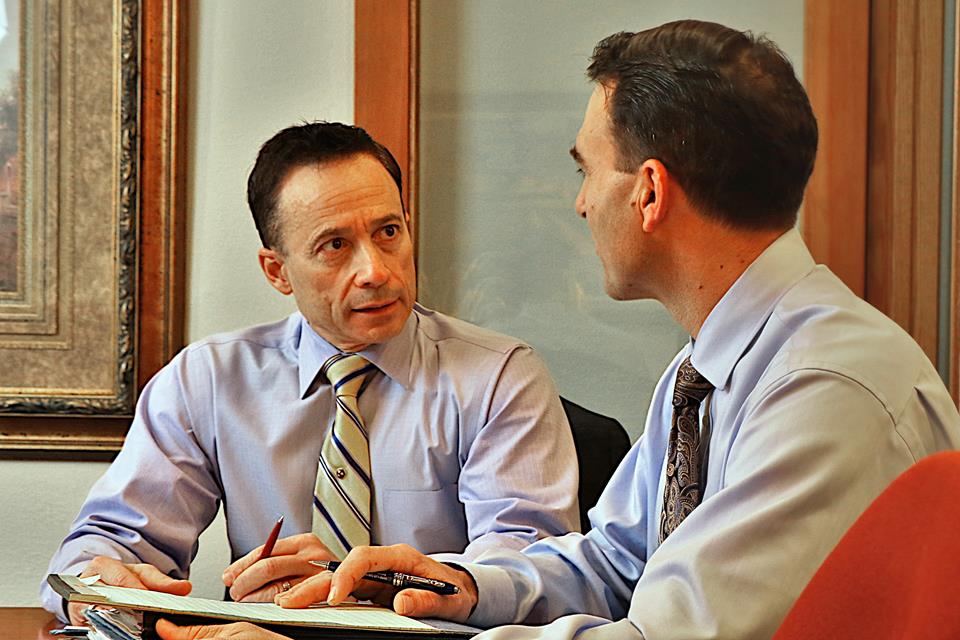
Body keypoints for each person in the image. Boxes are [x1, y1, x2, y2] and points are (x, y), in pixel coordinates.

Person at [154, 19, 960, 640]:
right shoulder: (709, 370)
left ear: (648, 193)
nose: (578, 203)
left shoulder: (821, 389)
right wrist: (449, 584)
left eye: (585, 169)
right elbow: (613, 563)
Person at [41, 122, 581, 625]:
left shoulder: (499, 376)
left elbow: (529, 568)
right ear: (277, 271)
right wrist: (98, 585)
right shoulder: (207, 381)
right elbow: (105, 546)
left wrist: (386, 586)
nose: (375, 271)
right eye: (335, 245)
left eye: (388, 231)